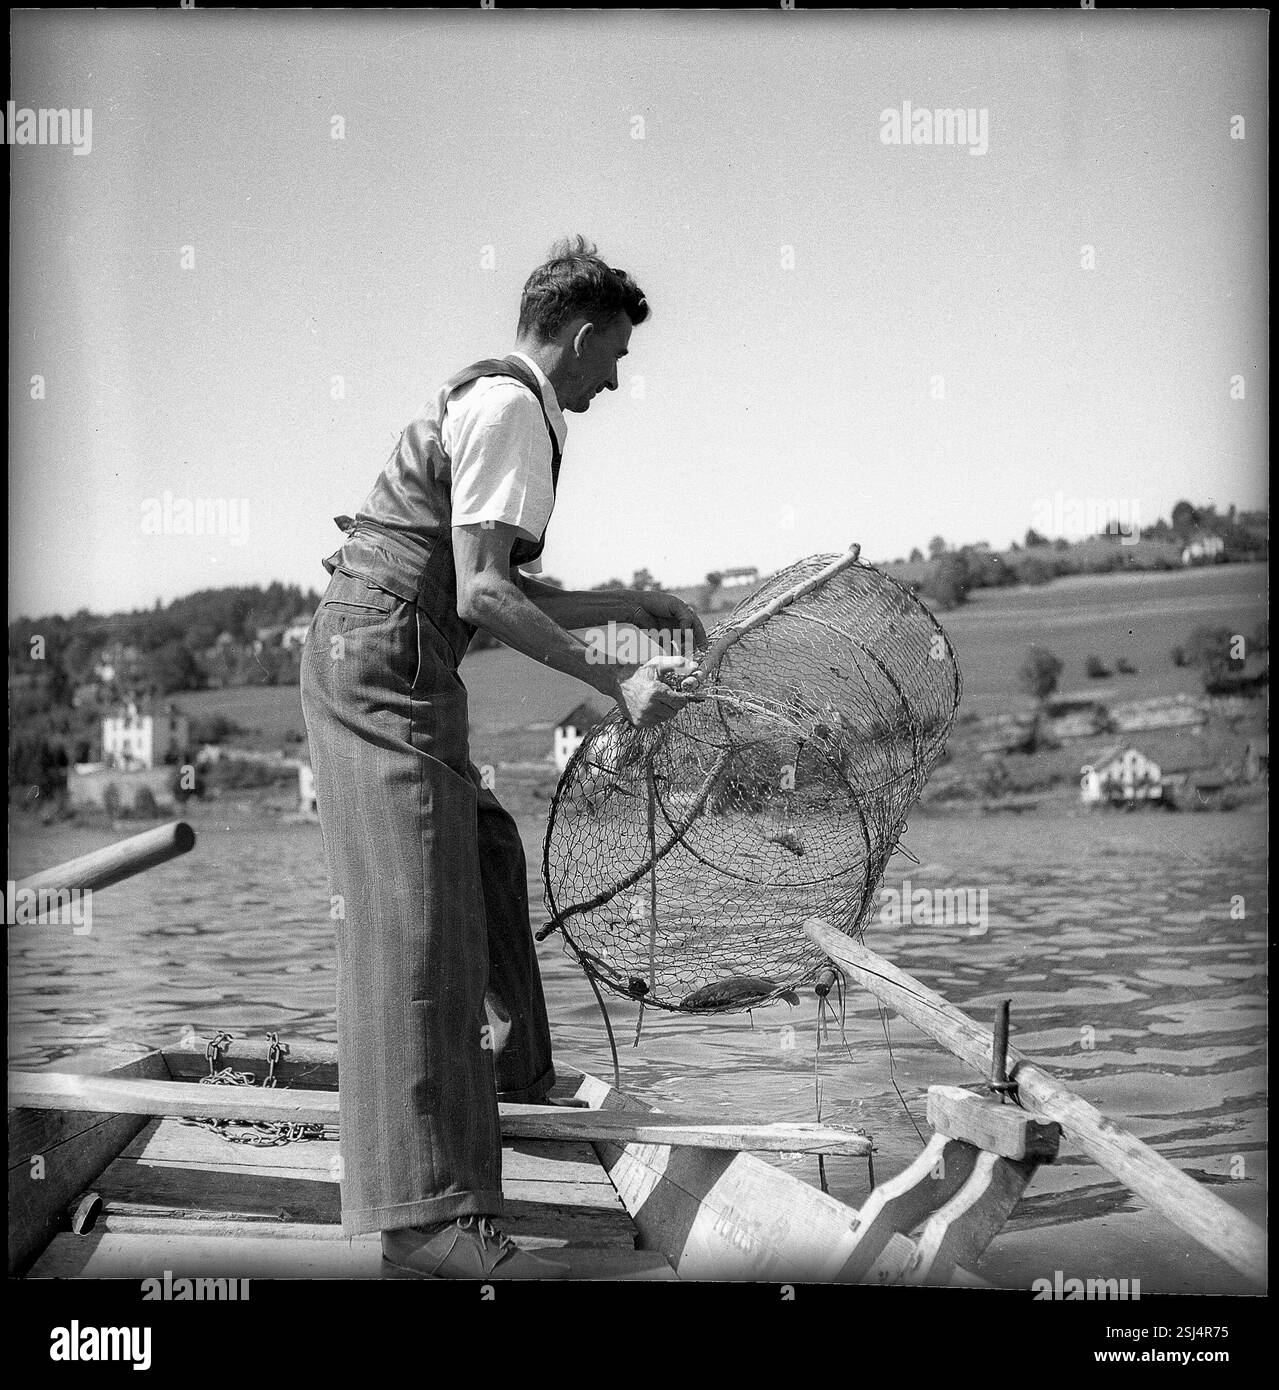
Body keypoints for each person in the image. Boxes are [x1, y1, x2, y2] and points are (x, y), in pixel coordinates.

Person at [300, 236, 706, 1279]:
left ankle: (514, 1090)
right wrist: (617, 682)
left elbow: (499, 586)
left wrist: (633, 608)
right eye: (612, 356)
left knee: (480, 853)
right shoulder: (516, 406)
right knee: (415, 925)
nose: (614, 379)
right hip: (383, 653)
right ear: (578, 335)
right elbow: (483, 593)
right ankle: (426, 1218)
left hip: (397, 649)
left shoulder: (506, 405)